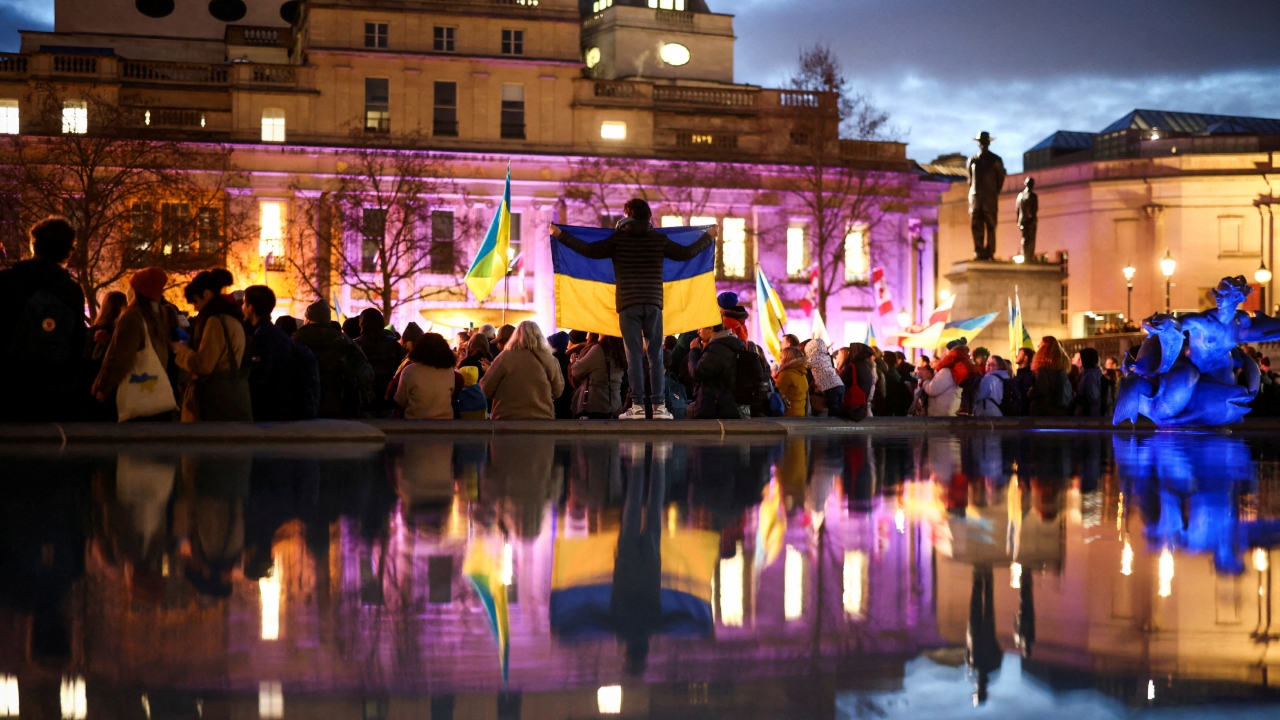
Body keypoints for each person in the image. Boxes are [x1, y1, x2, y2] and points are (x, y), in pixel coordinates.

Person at [551, 198, 716, 419]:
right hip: (653, 303)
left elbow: (588, 250)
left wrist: (560, 235)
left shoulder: (619, 240)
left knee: (634, 357)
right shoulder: (658, 239)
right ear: (648, 216)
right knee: (656, 356)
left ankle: (637, 407)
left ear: (627, 215)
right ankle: (659, 407)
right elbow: (686, 254)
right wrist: (709, 237)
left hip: (628, 305)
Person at [0, 217, 88, 421]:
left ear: (34, 246)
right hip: (55, 389)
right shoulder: (71, 290)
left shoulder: (7, 281)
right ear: (68, 252)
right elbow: (77, 343)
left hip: (9, 385)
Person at [91, 268, 177, 422]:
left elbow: (120, 357)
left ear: (137, 290)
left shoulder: (132, 317)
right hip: (155, 395)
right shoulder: (161, 315)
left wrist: (103, 389)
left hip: (133, 395)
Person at [172, 269, 250, 422]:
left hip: (212, 400)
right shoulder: (233, 318)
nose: (195, 308)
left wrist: (183, 351)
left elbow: (204, 365)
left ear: (206, 294)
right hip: (228, 398)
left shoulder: (215, 321)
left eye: (196, 301)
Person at [242, 285, 316, 421]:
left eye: (244, 303)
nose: (242, 308)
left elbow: (259, 377)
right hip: (283, 410)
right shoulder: (277, 334)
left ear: (251, 307)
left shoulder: (263, 336)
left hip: (271, 413)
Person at [293, 300, 372, 419]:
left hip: (304, 403)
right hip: (338, 403)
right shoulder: (344, 341)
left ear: (308, 319)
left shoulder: (296, 340)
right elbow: (365, 373)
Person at [479, 320, 564, 420]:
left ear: (516, 336)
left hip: (506, 420)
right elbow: (558, 391)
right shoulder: (550, 360)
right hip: (541, 420)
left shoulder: (505, 357)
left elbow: (487, 388)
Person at [394, 332, 461, 420]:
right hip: (445, 422)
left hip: (415, 423)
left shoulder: (409, 370)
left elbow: (400, 401)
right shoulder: (449, 371)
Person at [685, 323, 744, 419]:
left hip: (716, 407)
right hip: (725, 405)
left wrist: (694, 350)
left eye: (700, 328)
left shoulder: (719, 347)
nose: (698, 332)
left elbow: (697, 372)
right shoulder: (729, 344)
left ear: (710, 328)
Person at [354, 308, 405, 416]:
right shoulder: (393, 345)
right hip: (388, 401)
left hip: (364, 402)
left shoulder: (356, 345)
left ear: (362, 323)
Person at [967, 130, 1006, 261]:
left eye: (985, 142)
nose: (983, 145)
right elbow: (970, 180)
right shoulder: (972, 160)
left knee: (991, 225)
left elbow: (1000, 179)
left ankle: (990, 251)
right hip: (976, 198)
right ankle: (978, 250)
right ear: (978, 144)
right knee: (976, 225)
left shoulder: (996, 160)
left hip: (990, 198)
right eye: (981, 142)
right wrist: (974, 194)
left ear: (989, 143)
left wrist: (993, 192)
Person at [570, 335, 626, 419]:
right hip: (615, 405)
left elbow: (576, 371)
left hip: (595, 405)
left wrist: (574, 362)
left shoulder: (598, 349)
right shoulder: (621, 352)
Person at [1028, 336, 1072, 416]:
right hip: (1061, 410)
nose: (1038, 346)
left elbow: (1042, 389)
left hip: (1045, 411)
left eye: (1040, 345)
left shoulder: (1044, 369)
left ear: (1045, 349)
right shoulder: (1061, 370)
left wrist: (1031, 392)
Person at [805, 338, 845, 417]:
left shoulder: (814, 359)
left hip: (830, 386)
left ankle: (833, 427)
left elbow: (803, 364)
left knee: (832, 410)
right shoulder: (826, 357)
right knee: (838, 408)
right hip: (839, 384)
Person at [923, 351, 962, 417]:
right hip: (948, 412)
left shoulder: (946, 371)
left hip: (942, 415)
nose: (940, 359)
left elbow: (932, 390)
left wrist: (926, 381)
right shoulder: (955, 370)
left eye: (942, 357)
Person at [774, 346, 809, 417]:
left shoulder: (785, 374)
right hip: (801, 414)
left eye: (781, 356)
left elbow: (777, 394)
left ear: (786, 358)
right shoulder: (802, 373)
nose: (780, 359)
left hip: (788, 415)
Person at [1073, 347, 1104, 417]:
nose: (1080, 361)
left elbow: (1093, 398)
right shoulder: (1094, 373)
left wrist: (1078, 397)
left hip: (1089, 414)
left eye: (1081, 359)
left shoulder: (1090, 375)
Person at [1014, 347, 1036, 413]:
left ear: (1025, 357)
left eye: (1019, 354)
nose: (1016, 356)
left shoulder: (1028, 374)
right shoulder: (1021, 373)